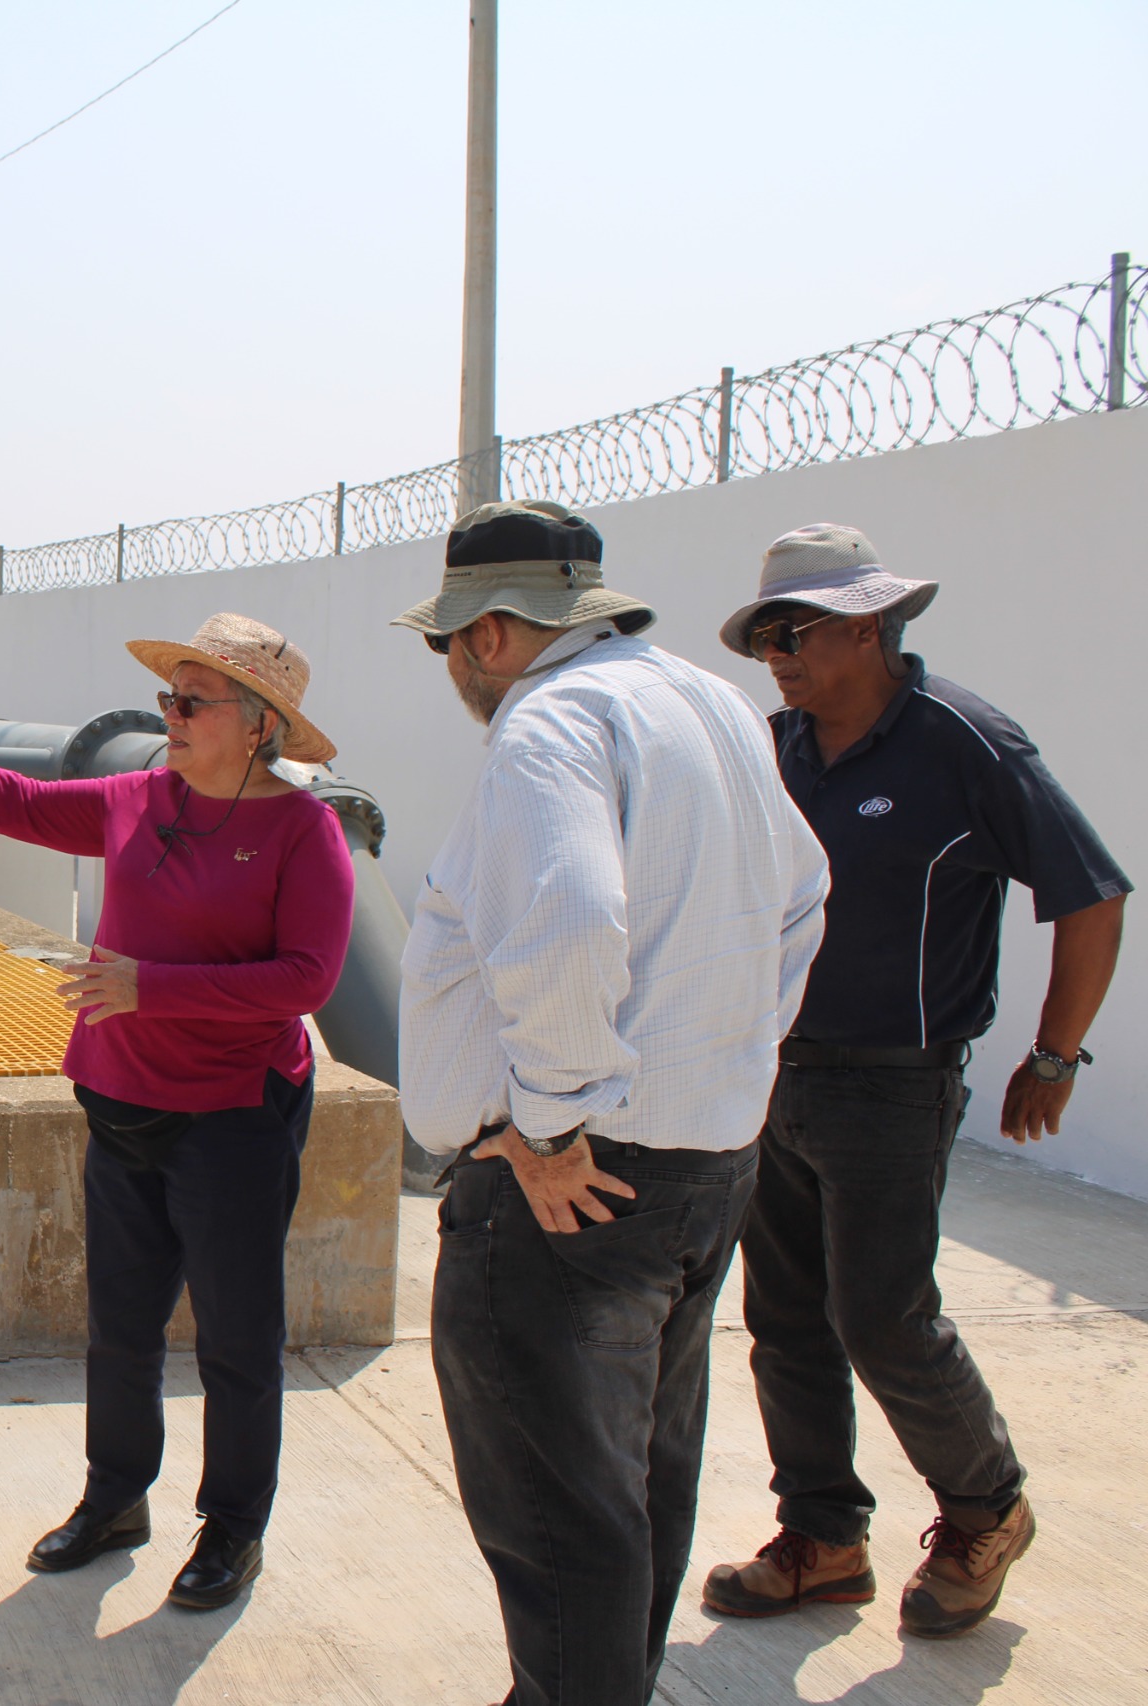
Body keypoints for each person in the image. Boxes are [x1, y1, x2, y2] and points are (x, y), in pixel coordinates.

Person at [0, 613, 354, 1612]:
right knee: (120, 1326)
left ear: (260, 723)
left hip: (233, 1113)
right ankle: (115, 1497)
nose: (170, 716)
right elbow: (17, 797)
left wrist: (155, 987)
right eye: (166, 699)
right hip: (121, 1103)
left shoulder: (301, 830)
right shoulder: (137, 798)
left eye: (192, 702)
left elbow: (306, 977)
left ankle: (233, 1526)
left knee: (235, 1336)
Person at [393, 500, 829, 1706]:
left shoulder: (553, 719)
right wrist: (731, 1060)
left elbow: (570, 918)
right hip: (696, 1161)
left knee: (557, 1521)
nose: (450, 672)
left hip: (568, 1182)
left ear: (490, 631)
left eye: (445, 645)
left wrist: (546, 1119)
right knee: (633, 1484)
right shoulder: (707, 702)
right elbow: (803, 896)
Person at [700, 525, 1129, 1637]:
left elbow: (1089, 892)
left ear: (863, 624)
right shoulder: (773, 744)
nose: (775, 655)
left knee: (882, 1313)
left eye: (790, 632)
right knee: (785, 1314)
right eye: (762, 638)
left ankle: (987, 1505)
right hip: (771, 1074)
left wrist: (1052, 1052)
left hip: (893, 1082)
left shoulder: (965, 744)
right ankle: (823, 1535)